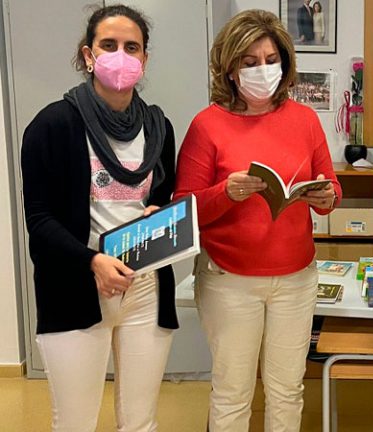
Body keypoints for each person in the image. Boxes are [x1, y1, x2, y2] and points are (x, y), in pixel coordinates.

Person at [174, 9, 340, 432]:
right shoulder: (207, 125)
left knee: (288, 389)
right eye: (249, 62)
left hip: (297, 279)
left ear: (284, 64)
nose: (262, 70)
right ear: (229, 69)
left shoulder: (304, 119)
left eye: (270, 59)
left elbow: (330, 191)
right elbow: (184, 208)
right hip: (229, 279)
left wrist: (326, 195)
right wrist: (225, 193)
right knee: (233, 392)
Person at [20, 4, 177, 431]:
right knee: (75, 423)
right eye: (109, 45)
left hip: (144, 287)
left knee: (141, 422)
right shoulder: (52, 125)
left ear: (144, 59)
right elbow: (40, 219)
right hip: (76, 286)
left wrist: (159, 213)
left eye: (132, 47)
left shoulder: (159, 127)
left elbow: (162, 198)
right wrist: (91, 261)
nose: (121, 55)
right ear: (88, 54)